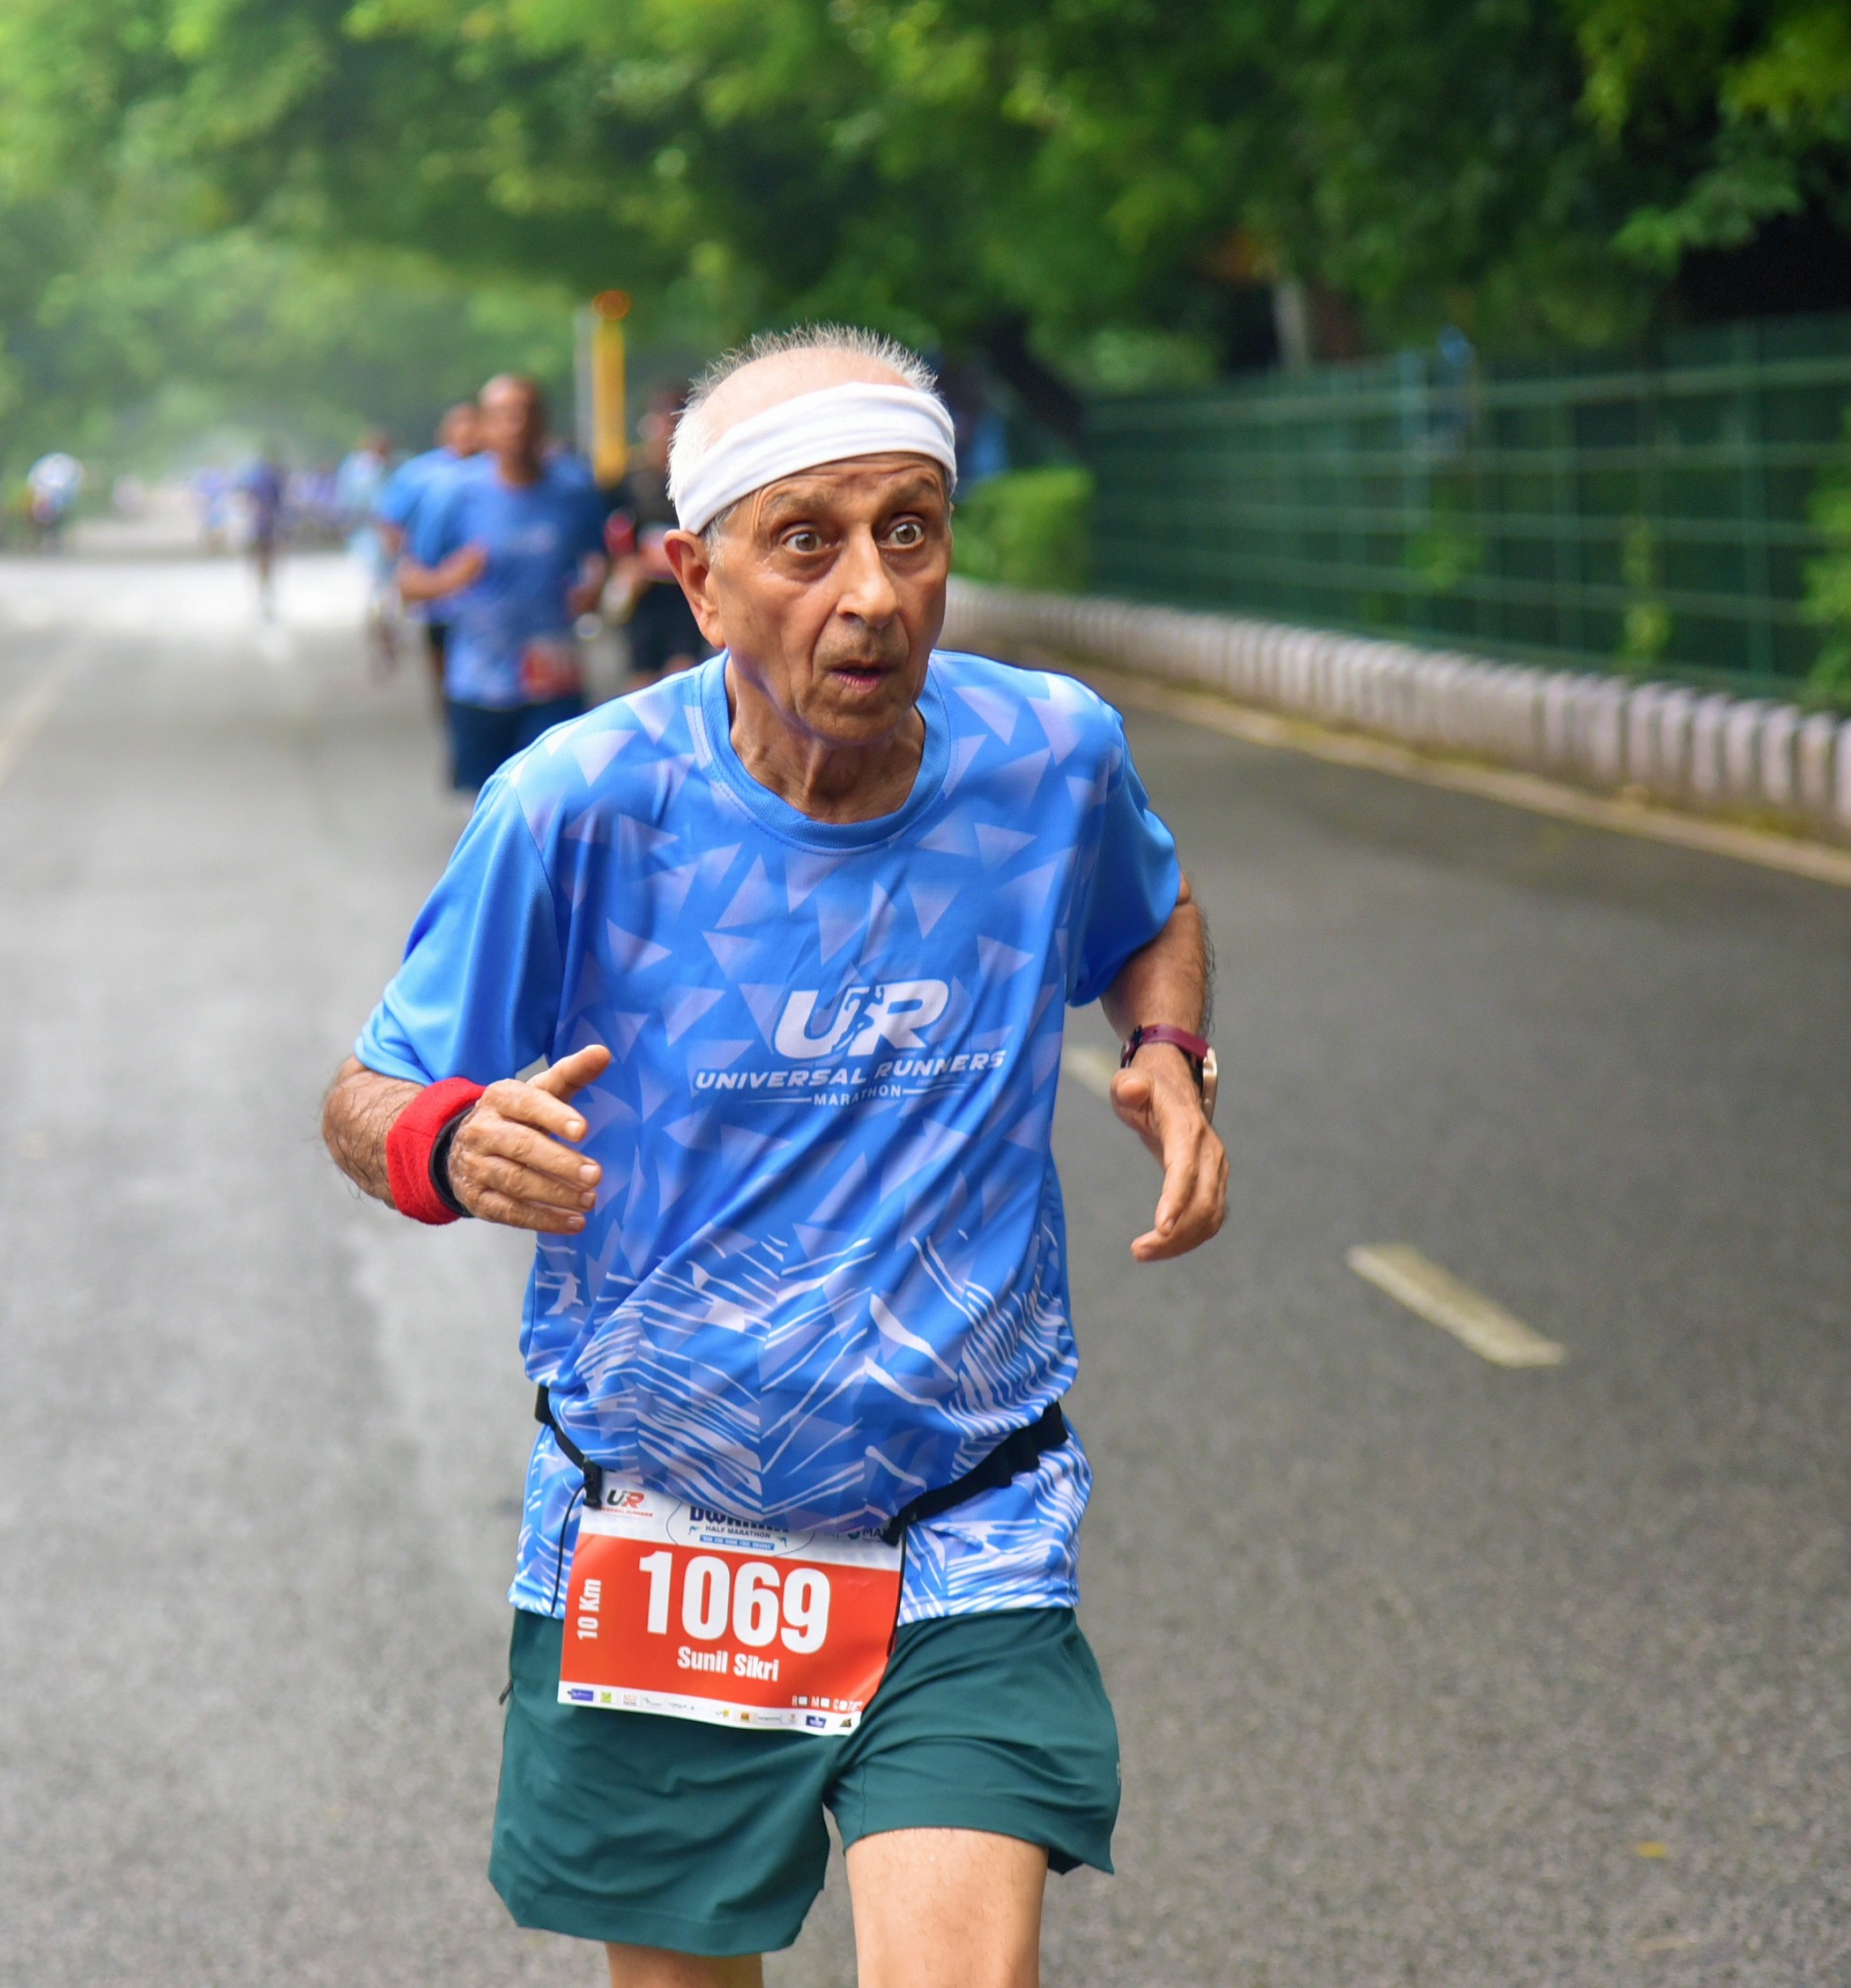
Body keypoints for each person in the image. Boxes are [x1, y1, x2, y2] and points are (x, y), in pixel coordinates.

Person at [318, 324, 1229, 1986]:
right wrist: (450, 1140)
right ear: (698, 579)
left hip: (966, 1518)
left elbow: (1149, 912)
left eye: (908, 532)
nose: (871, 595)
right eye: (805, 543)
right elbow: (368, 1095)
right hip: (665, 1536)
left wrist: (1166, 1053)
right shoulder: (579, 805)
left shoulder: (1048, 758)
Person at [397, 376, 607, 792]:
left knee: (553, 798)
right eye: (504, 415)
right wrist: (448, 580)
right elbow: (408, 582)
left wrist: (594, 589)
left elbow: (602, 555)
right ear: (484, 427)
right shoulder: (455, 494)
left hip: (553, 678)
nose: (517, 425)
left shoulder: (574, 490)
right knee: (491, 804)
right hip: (480, 681)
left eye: (527, 414)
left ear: (543, 422)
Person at [376, 403, 482, 704]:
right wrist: (405, 559)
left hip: (484, 590)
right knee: (445, 671)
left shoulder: (497, 471)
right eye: (459, 425)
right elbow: (390, 519)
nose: (467, 432)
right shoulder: (421, 474)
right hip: (438, 589)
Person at [607, 384, 710, 685]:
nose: (664, 436)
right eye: (660, 426)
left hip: (685, 596)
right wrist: (626, 566)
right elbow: (613, 536)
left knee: (682, 675)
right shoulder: (630, 483)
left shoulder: (699, 483)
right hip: (645, 599)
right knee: (643, 681)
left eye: (673, 427)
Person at [333, 431, 400, 672]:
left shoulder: (397, 470)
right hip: (368, 539)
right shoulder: (356, 470)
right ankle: (379, 636)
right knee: (375, 591)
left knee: (389, 595)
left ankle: (386, 635)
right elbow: (349, 503)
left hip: (392, 540)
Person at [239, 447, 286, 619]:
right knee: (270, 562)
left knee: (259, 563)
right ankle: (267, 595)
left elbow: (247, 499)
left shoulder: (254, 477)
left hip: (259, 525)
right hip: (270, 526)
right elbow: (280, 503)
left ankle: (261, 595)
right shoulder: (274, 478)